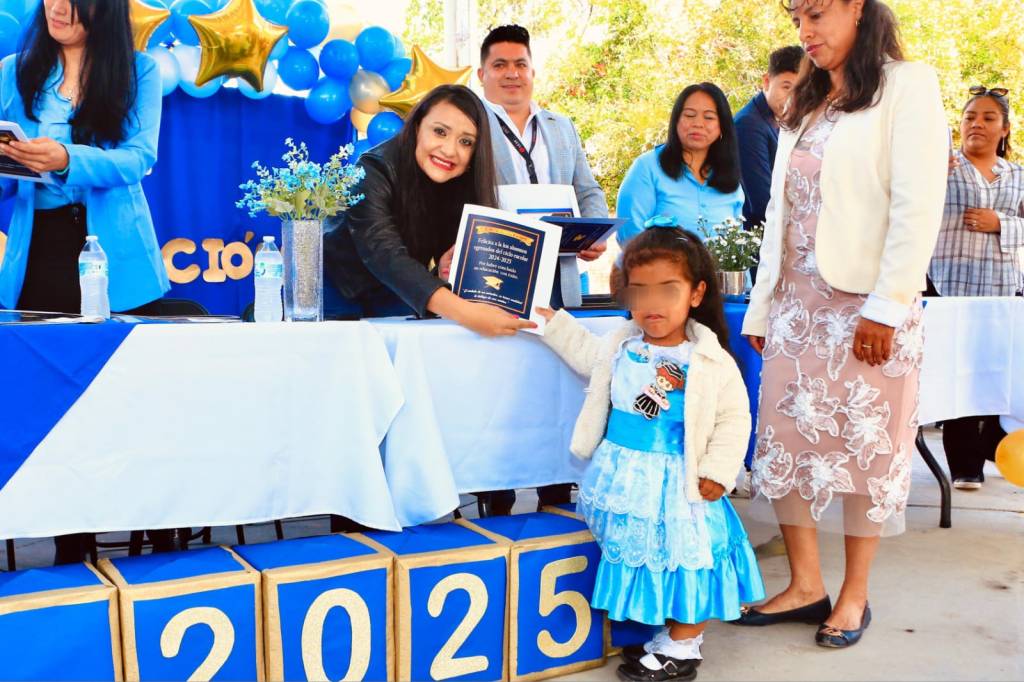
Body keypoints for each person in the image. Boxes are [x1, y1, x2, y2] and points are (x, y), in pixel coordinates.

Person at [738, 0, 947, 648]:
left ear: (858, 7)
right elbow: (780, 209)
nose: (806, 29)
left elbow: (917, 206)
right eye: (798, 16)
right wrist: (764, 303)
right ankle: (805, 584)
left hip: (866, 307)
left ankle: (854, 594)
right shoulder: (809, 93)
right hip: (798, 306)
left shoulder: (906, 86)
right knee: (785, 443)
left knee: (865, 449)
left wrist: (888, 305)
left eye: (818, 13)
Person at [535, 225, 764, 681]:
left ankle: (684, 643)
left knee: (684, 556)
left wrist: (719, 470)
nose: (652, 304)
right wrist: (553, 322)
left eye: (667, 290)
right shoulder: (623, 345)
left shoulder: (708, 360)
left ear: (696, 293)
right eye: (639, 291)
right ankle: (660, 632)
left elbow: (734, 417)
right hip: (624, 474)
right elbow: (586, 354)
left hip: (679, 484)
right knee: (642, 551)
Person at [0, 0, 170, 564]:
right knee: (48, 410)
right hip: (39, 254)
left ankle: (137, 549)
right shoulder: (12, 71)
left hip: (114, 257)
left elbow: (138, 158)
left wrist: (64, 158)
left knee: (121, 407)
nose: (57, 7)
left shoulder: (139, 71)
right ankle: (62, 553)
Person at [476, 23, 608, 513]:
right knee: (505, 384)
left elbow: (587, 188)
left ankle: (558, 487)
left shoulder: (561, 126)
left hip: (562, 275)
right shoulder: (471, 127)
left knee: (561, 380)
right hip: (499, 275)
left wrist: (596, 232)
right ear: (482, 73)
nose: (512, 74)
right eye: (500, 65)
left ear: (533, 70)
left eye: (520, 64)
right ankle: (497, 492)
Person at [323, 84, 535, 338]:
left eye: (466, 142)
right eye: (439, 132)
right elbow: (384, 254)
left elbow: (433, 268)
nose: (449, 150)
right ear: (416, 128)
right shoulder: (372, 170)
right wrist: (469, 314)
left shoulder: (461, 184)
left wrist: (449, 267)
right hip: (339, 290)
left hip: (401, 290)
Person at [927, 86, 1022, 489]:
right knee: (957, 375)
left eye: (986, 118)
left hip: (1003, 292)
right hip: (948, 287)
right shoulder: (941, 168)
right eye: (969, 117)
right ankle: (966, 466)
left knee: (1000, 375)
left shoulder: (1018, 176)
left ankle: (996, 444)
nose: (976, 124)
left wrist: (1001, 223)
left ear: (1004, 128)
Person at [616, 83, 745, 246]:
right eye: (690, 115)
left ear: (722, 127)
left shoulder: (729, 181)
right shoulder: (647, 168)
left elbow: (739, 250)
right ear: (675, 121)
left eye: (709, 117)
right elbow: (630, 237)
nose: (698, 123)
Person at [734, 45, 804, 230]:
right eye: (786, 87)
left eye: (800, 90)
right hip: (757, 239)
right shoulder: (749, 125)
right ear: (766, 82)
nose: (792, 99)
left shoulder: (783, 118)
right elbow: (761, 201)